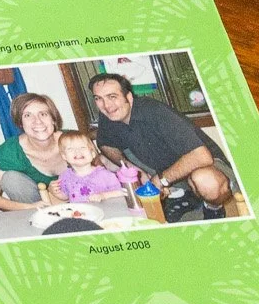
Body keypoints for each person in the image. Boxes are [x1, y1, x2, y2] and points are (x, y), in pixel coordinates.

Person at [88, 72, 235, 219]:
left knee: (205, 180)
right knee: (103, 159)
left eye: (112, 96)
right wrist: (133, 169)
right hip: (171, 175)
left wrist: (159, 181)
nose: (106, 105)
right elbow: (105, 145)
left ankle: (213, 208)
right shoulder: (108, 115)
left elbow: (202, 157)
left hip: (209, 167)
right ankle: (185, 197)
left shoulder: (155, 111)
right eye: (98, 99)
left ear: (129, 97)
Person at [0, 90, 70, 211]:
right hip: (40, 208)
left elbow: (100, 173)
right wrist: (28, 208)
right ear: (20, 123)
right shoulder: (10, 151)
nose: (37, 121)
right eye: (27, 115)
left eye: (43, 114)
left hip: (81, 203)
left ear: (54, 119)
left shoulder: (75, 140)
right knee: (11, 179)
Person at [53, 130, 137, 204]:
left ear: (93, 154)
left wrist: (103, 196)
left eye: (82, 147)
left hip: (105, 214)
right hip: (80, 216)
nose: (78, 151)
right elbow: (66, 196)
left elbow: (122, 192)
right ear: (64, 156)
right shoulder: (65, 176)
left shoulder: (105, 175)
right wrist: (57, 193)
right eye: (71, 149)